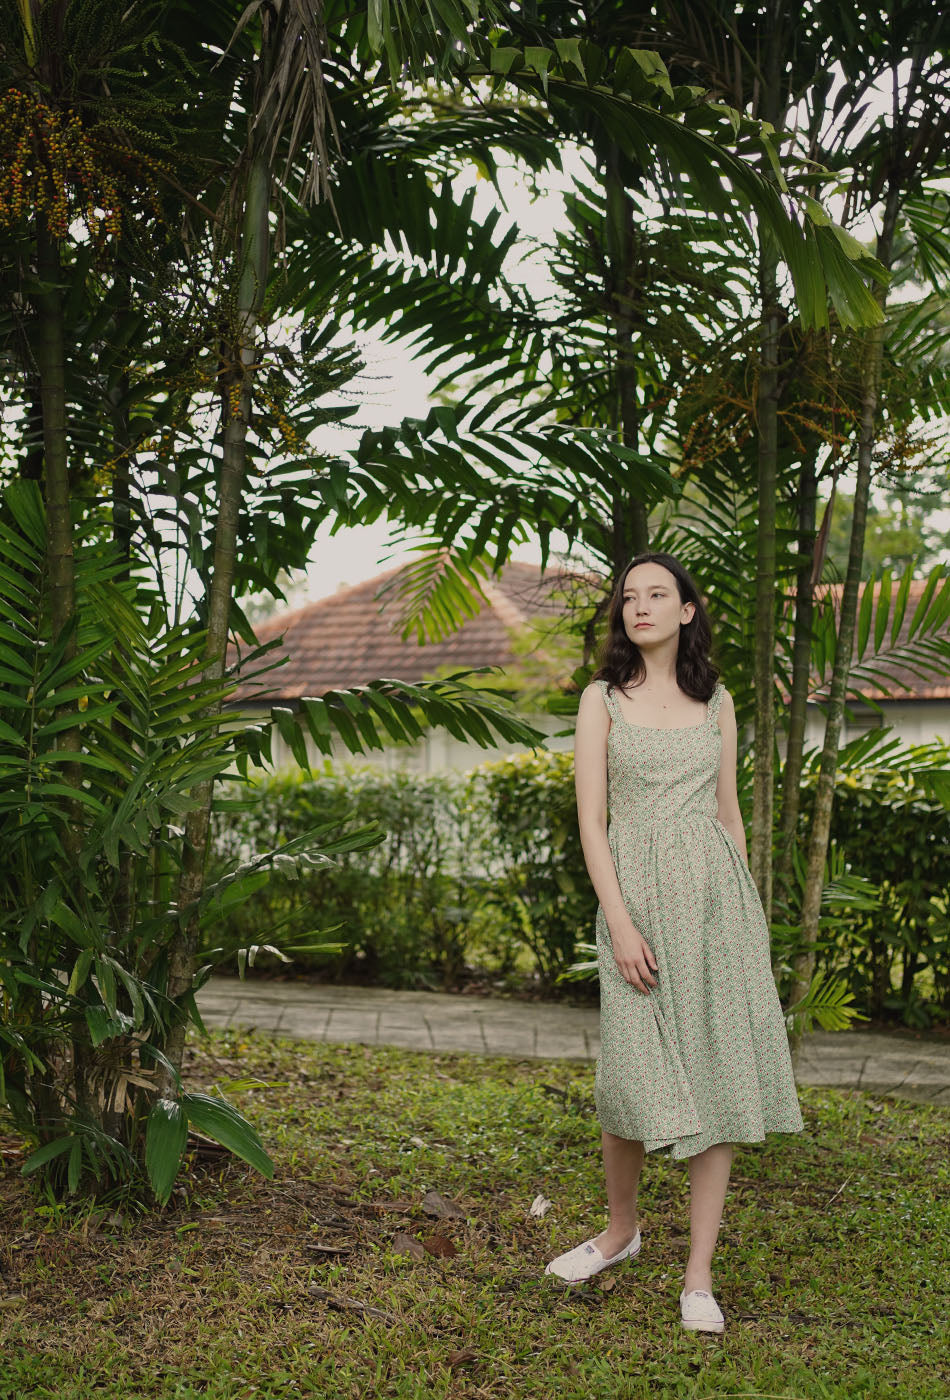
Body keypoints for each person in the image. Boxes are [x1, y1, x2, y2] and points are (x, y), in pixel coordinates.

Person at [544, 551, 804, 1333]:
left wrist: (747, 919)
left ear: (688, 610)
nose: (641, 607)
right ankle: (620, 1232)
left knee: (716, 1075)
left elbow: (727, 814)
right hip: (637, 898)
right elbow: (593, 820)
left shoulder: (716, 701)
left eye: (658, 595)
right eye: (629, 597)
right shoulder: (602, 701)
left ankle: (698, 1276)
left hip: (716, 902)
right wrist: (620, 922)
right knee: (627, 1076)